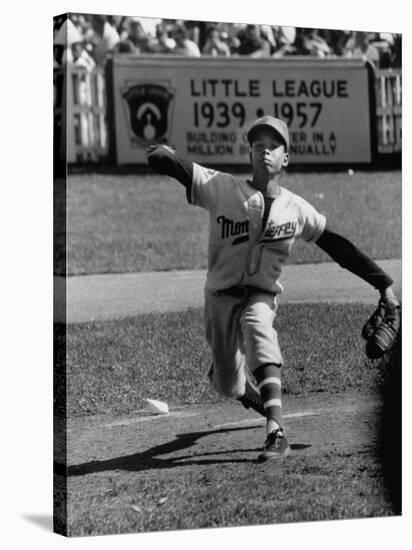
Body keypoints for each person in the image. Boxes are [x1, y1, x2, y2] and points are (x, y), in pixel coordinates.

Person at [146, 115, 400, 462]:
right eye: (258, 146)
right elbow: (174, 164)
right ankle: (240, 384)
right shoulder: (221, 188)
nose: (265, 151)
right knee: (226, 385)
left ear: (286, 159)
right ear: (249, 154)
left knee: (258, 327)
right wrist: (163, 154)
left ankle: (275, 431)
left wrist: (383, 284)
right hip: (219, 298)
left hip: (260, 295)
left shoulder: (296, 209)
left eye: (273, 146)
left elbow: (338, 246)